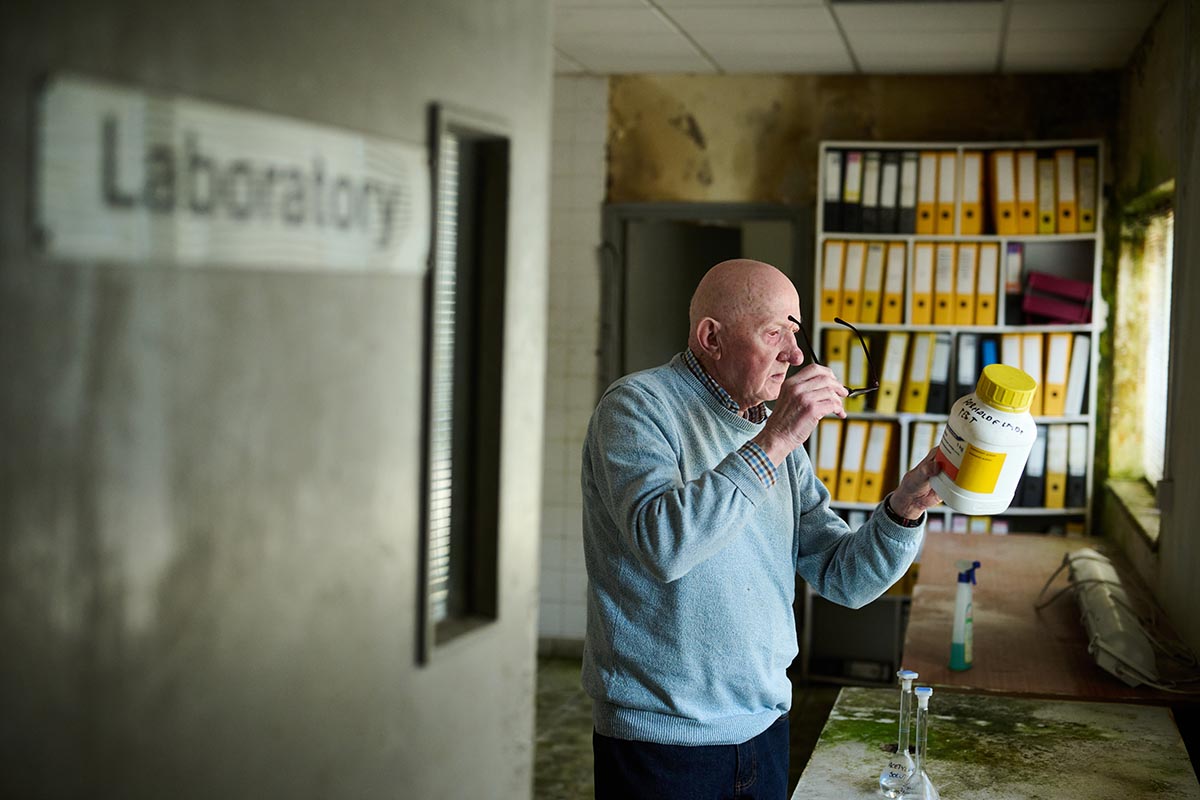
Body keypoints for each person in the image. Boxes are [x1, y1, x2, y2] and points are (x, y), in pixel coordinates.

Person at [580, 258, 942, 800]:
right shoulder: (637, 408)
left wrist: (904, 508)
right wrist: (774, 441)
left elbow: (845, 578)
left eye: (796, 334)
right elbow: (664, 544)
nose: (795, 356)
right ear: (711, 338)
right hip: (661, 744)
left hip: (764, 731)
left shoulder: (772, 438)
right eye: (775, 333)